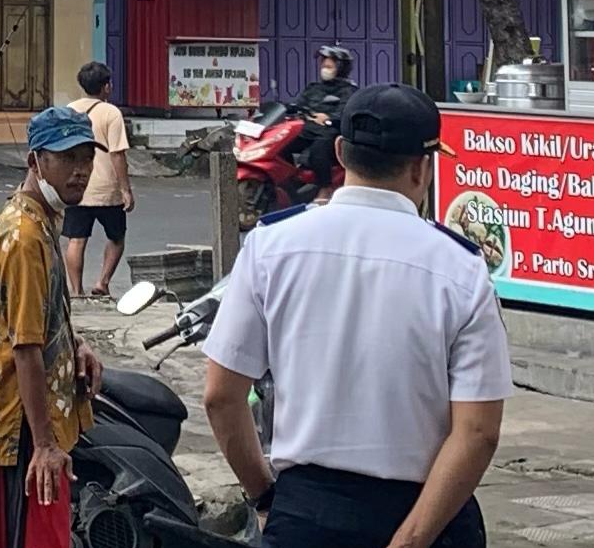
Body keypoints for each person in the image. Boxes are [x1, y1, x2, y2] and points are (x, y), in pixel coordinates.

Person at [202, 85, 510, 548]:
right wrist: (412, 539)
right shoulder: (461, 268)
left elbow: (221, 397)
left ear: (342, 153)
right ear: (424, 166)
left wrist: (265, 497)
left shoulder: (271, 247)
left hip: (306, 513)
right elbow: (479, 431)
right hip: (428, 512)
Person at [0, 105, 104, 548]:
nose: (80, 171)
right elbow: (25, 348)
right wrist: (44, 445)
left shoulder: (42, 221)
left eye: (87, 158)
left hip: (27, 425)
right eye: (68, 158)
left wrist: (73, 344)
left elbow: (36, 322)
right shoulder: (25, 237)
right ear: (36, 161)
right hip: (19, 432)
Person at [64, 61, 133, 299]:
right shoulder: (111, 113)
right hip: (106, 189)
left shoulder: (70, 110)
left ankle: (76, 291)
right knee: (117, 237)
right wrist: (126, 189)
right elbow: (117, 153)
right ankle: (102, 282)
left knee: (76, 239)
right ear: (105, 87)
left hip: (75, 184)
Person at [290, 45, 358, 198]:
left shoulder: (348, 91)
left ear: (340, 68)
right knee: (284, 144)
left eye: (329, 66)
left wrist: (329, 118)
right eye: (323, 65)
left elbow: (344, 113)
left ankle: (325, 188)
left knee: (319, 150)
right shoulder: (313, 88)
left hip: (330, 132)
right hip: (308, 129)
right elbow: (300, 104)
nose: (324, 69)